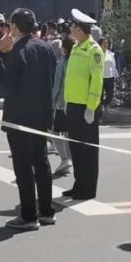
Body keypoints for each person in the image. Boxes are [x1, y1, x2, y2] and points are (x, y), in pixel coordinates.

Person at [1, 8, 58, 230]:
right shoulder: (46, 48)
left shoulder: (18, 51)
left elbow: (7, 86)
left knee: (23, 167)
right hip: (41, 114)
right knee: (42, 163)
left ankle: (28, 215)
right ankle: (46, 211)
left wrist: (3, 55)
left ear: (14, 27)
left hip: (20, 117)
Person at [63, 10, 105, 201]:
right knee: (76, 149)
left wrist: (91, 107)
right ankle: (78, 184)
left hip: (86, 108)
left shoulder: (93, 50)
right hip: (73, 105)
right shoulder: (76, 47)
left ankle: (88, 189)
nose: (71, 29)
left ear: (80, 29)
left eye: (73, 26)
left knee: (88, 150)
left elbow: (96, 81)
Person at [51, 36, 75, 176]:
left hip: (61, 103)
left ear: (65, 49)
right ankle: (68, 159)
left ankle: (65, 158)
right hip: (73, 102)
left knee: (55, 131)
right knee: (68, 133)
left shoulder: (62, 63)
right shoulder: (76, 62)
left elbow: (57, 85)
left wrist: (52, 102)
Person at [99, 35, 117, 109]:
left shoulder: (110, 53)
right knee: (99, 95)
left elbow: (113, 65)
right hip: (100, 77)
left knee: (110, 96)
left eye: (106, 43)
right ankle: (99, 110)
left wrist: (116, 74)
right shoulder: (97, 53)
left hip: (109, 77)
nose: (105, 44)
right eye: (103, 43)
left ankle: (103, 104)